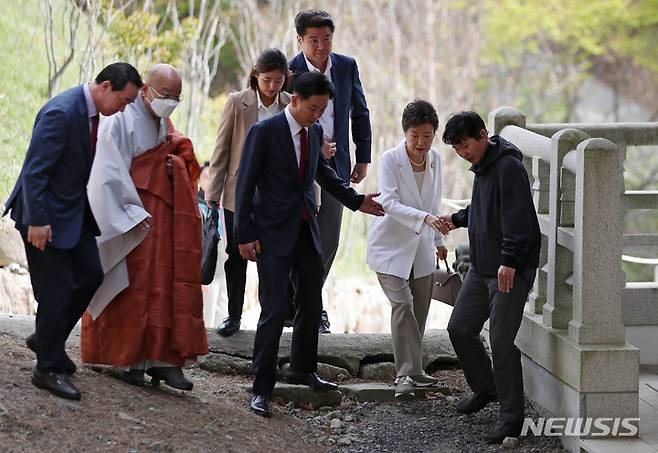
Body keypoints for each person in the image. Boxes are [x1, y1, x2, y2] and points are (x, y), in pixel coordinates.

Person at [236, 72, 384, 417]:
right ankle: (261, 387)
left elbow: (323, 174)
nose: (317, 116)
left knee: (311, 300)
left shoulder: (314, 132)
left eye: (322, 110)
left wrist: (355, 200)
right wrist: (244, 233)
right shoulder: (264, 132)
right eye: (313, 108)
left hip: (306, 228)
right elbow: (245, 184)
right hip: (272, 231)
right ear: (295, 100)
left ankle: (302, 368)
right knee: (273, 310)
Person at [3, 62, 142, 400]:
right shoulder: (63, 112)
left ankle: (44, 339)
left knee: (91, 274)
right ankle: (46, 368)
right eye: (124, 101)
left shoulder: (92, 113)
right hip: (44, 214)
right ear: (106, 86)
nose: (123, 109)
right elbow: (35, 171)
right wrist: (37, 221)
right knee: (56, 289)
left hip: (72, 213)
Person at [80, 64, 208, 391]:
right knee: (132, 289)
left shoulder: (163, 123)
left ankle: (164, 361)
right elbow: (107, 175)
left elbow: (176, 156)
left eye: (177, 98)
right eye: (166, 95)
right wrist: (130, 215)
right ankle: (127, 359)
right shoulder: (119, 121)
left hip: (164, 218)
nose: (171, 103)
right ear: (146, 90)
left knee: (165, 286)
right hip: (129, 216)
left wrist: (175, 165)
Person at [438, 111, 541, 444]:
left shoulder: (508, 166)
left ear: (482, 135)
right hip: (483, 268)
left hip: (509, 270)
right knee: (460, 328)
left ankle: (511, 419)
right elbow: (484, 210)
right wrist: (456, 218)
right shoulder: (483, 165)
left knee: (500, 339)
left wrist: (509, 260)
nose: (463, 153)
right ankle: (487, 388)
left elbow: (520, 221)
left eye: (465, 145)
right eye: (457, 149)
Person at [289, 9, 372, 333]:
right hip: (297, 168)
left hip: (336, 165)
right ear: (300, 40)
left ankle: (308, 301)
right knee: (301, 241)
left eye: (326, 39)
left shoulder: (346, 66)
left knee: (328, 241)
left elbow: (360, 112)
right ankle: (310, 308)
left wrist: (362, 156)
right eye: (313, 40)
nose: (321, 46)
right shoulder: (289, 70)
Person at [205, 48, 292, 337]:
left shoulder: (291, 105)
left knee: (272, 256)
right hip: (236, 192)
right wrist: (213, 192)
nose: (272, 86)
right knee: (236, 255)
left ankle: (269, 318)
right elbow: (222, 150)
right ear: (256, 75)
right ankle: (233, 315)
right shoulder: (236, 102)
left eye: (278, 80)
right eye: (267, 79)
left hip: (274, 195)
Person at [366, 100, 447, 398]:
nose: (421, 142)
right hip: (390, 248)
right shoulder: (390, 159)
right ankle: (404, 375)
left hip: (423, 246)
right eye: (415, 136)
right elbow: (389, 202)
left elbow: (435, 200)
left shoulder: (436, 159)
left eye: (427, 136)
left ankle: (415, 371)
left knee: (420, 311)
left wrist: (439, 240)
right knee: (403, 305)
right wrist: (424, 219)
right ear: (405, 133)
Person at [198, 162, 227, 329]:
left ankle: (220, 325)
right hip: (208, 247)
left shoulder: (222, 202)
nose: (209, 181)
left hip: (223, 244)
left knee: (223, 288)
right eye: (205, 177)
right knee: (210, 288)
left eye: (212, 176)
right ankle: (208, 329)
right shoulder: (198, 202)